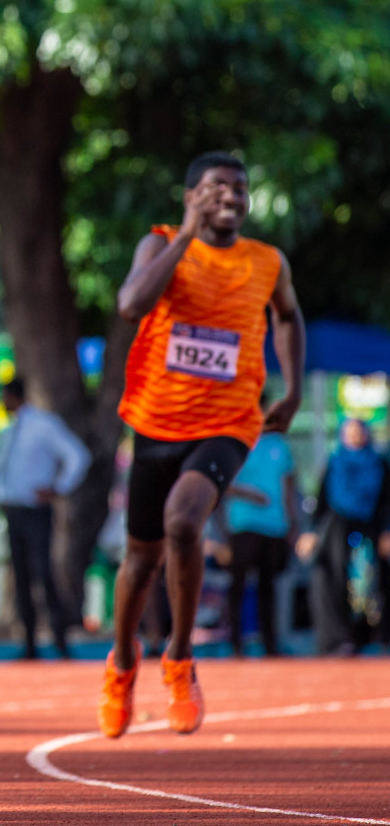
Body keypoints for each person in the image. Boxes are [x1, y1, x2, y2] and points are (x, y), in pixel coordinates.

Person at [100, 151, 305, 740]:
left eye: (240, 189)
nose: (231, 197)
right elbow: (131, 304)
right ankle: (121, 663)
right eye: (217, 187)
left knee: (184, 522)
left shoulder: (267, 261)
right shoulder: (160, 243)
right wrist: (185, 237)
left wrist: (290, 386)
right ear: (190, 195)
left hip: (229, 421)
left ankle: (180, 659)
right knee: (140, 558)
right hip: (155, 421)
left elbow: (288, 318)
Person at [0, 378, 91, 660]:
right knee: (21, 577)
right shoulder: (9, 431)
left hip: (36, 510)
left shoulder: (43, 425)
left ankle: (60, 640)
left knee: (43, 574)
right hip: (14, 510)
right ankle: (30, 643)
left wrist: (59, 488)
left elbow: (77, 456)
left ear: (13, 397)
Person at [296, 418, 390, 655]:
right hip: (337, 530)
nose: (356, 437)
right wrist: (310, 533)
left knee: (375, 582)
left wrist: (386, 531)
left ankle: (376, 637)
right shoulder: (335, 463)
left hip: (372, 528)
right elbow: (321, 502)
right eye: (350, 432)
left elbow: (387, 501)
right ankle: (337, 640)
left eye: (359, 432)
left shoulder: (379, 464)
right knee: (329, 577)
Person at [216, 396, 298, 656]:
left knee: (268, 587)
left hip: (274, 526)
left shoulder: (279, 446)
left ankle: (270, 644)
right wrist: (246, 494)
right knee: (237, 585)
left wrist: (292, 524)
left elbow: (288, 488)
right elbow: (219, 483)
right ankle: (236, 643)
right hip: (243, 524)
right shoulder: (236, 444)